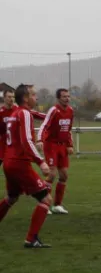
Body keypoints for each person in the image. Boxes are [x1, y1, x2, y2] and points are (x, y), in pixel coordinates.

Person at [0, 84, 53, 248]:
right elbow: (26, 141)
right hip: (19, 164)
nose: (36, 98)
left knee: (12, 198)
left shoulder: (15, 113)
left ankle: (31, 239)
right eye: (34, 95)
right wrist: (41, 161)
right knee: (46, 199)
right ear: (25, 98)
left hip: (8, 162)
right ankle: (31, 239)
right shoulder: (24, 113)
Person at [38, 88, 74, 215]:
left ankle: (57, 205)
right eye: (64, 96)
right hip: (51, 145)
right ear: (58, 98)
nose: (67, 98)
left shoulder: (70, 111)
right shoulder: (54, 110)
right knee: (52, 174)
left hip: (62, 146)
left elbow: (68, 129)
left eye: (68, 96)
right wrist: (40, 140)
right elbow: (44, 125)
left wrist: (70, 144)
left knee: (64, 175)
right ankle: (44, 203)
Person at [1, 89, 46, 168]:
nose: (11, 99)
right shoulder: (1, 112)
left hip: (15, 147)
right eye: (9, 97)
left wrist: (50, 117)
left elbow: (35, 114)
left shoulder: (18, 110)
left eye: (13, 97)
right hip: (2, 145)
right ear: (4, 98)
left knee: (16, 168)